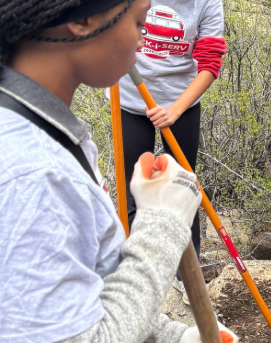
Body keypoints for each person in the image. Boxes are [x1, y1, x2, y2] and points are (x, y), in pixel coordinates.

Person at [0, 1, 236, 342]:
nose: (144, 40)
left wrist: (175, 338)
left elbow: (87, 291)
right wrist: (164, 222)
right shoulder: (33, 173)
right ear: (83, 19)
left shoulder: (47, 133)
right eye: (139, 22)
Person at [111, 0, 226, 305]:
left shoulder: (208, 3)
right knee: (133, 187)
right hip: (130, 100)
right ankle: (137, 275)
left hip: (181, 103)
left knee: (184, 187)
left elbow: (210, 63)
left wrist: (175, 110)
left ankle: (188, 277)